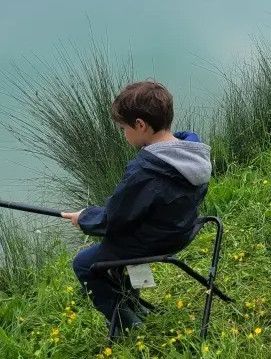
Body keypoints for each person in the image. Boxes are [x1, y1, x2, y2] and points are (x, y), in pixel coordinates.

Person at [63, 80, 211, 335]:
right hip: (183, 230)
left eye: (123, 128)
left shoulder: (144, 171)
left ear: (140, 125)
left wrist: (84, 217)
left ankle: (125, 324)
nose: (123, 134)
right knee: (116, 248)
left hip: (155, 241)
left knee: (84, 262)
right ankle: (132, 303)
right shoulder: (193, 150)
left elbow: (114, 220)